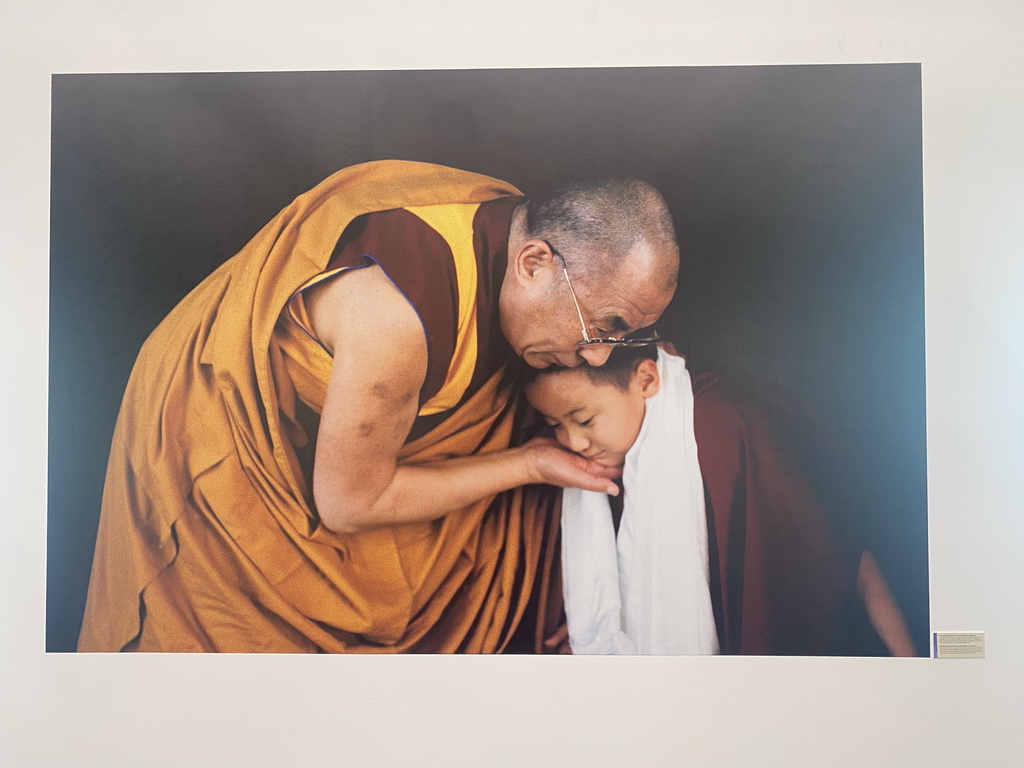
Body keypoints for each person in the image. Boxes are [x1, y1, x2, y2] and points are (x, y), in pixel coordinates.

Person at [77, 159, 680, 653]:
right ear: (533, 264)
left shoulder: (514, 221)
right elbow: (347, 503)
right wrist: (530, 464)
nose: (600, 360)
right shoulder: (394, 320)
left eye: (622, 339)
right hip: (215, 447)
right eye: (604, 327)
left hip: (351, 438)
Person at [525, 345, 918, 656]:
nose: (573, 442)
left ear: (647, 379)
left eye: (585, 420)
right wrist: (607, 618)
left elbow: (835, 555)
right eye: (556, 425)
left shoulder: (721, 429)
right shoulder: (609, 454)